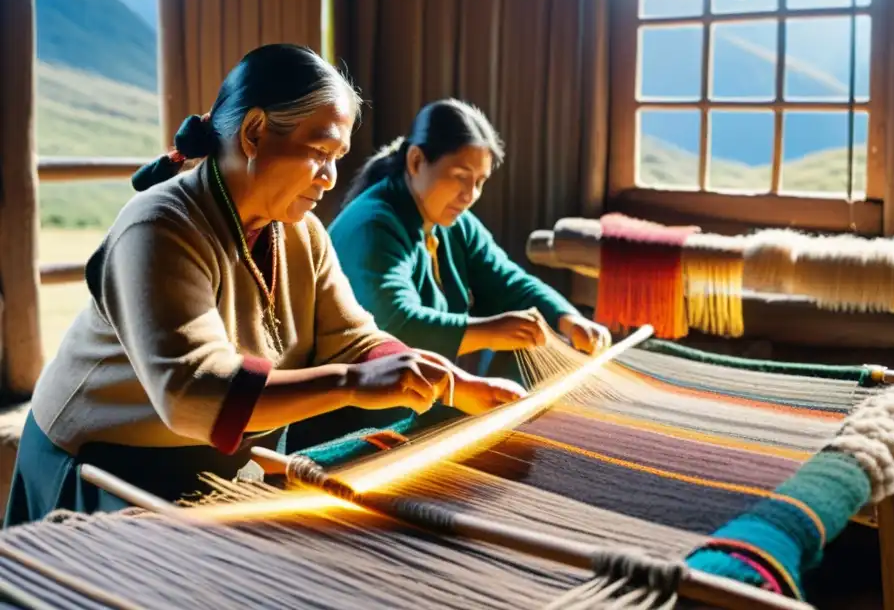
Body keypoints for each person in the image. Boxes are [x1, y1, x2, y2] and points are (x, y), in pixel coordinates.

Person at [4, 46, 523, 528]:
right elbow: (193, 392)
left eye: (338, 157)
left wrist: (456, 384)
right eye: (320, 151)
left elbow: (353, 337)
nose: (329, 177)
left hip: (214, 464)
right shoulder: (159, 227)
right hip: (103, 468)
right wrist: (351, 383)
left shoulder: (301, 233)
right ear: (253, 133)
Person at [327, 98, 611, 383]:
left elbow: (505, 280)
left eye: (480, 182)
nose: (470, 195)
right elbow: (397, 326)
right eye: (460, 176)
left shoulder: (451, 221)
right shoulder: (373, 226)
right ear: (416, 162)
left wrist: (567, 319)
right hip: (366, 411)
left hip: (420, 396)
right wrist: (492, 331)